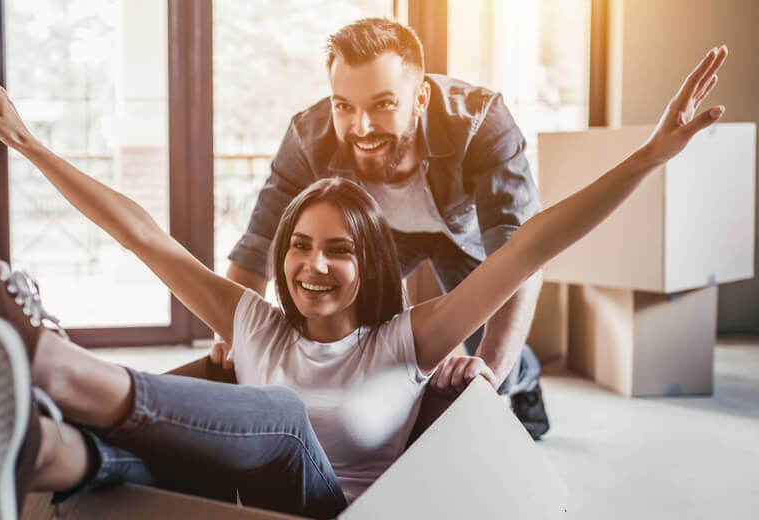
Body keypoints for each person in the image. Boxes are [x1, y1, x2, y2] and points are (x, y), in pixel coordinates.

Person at [0, 43, 728, 520]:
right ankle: (35, 452)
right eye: (301, 247)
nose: (314, 264)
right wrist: (31, 148)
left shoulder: (409, 339)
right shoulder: (255, 322)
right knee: (115, 456)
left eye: (339, 250)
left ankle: (44, 356)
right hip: (238, 496)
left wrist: (651, 156)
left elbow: (530, 246)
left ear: (368, 263)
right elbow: (143, 235)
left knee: (274, 416)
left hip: (329, 507)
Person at [217, 18, 549, 438]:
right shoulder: (308, 137)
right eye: (344, 106)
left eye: (383, 104)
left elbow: (520, 256)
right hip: (381, 235)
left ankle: (526, 377)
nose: (362, 127)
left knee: (491, 340)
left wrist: (489, 380)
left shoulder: (482, 121)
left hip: (461, 233)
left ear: (421, 97)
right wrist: (231, 337)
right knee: (364, 326)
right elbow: (257, 246)